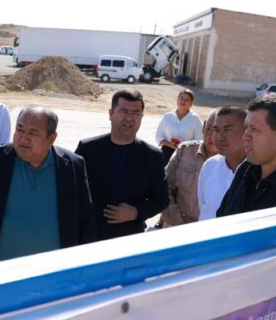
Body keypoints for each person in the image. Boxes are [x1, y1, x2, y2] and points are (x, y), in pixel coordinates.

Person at [0, 105, 94, 267]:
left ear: (51, 138)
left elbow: (85, 219)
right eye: (20, 130)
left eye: (32, 133)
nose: (23, 138)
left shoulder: (72, 166)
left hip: (53, 270)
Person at [74, 89, 167, 240]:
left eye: (135, 113)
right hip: (89, 236)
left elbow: (161, 199)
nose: (129, 118)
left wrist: (135, 212)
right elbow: (71, 192)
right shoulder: (87, 149)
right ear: (111, 114)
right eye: (124, 111)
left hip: (129, 238)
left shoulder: (152, 156)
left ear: (141, 117)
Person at [160, 108, 218, 227]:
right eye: (209, 128)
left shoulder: (233, 162)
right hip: (174, 228)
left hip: (212, 232)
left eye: (218, 130)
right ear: (203, 126)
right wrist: (178, 220)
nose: (212, 135)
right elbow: (164, 187)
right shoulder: (184, 151)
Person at [198, 106, 248, 221]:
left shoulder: (258, 171)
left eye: (227, 129)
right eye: (216, 130)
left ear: (246, 131)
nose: (220, 137)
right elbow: (204, 209)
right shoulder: (210, 166)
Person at [155, 89, 203, 164]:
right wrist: (169, 144)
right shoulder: (168, 116)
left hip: (186, 155)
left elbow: (199, 139)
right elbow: (158, 136)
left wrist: (184, 146)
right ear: (177, 100)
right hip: (166, 152)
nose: (183, 101)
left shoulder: (195, 119)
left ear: (191, 103)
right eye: (181, 98)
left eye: (187, 99)